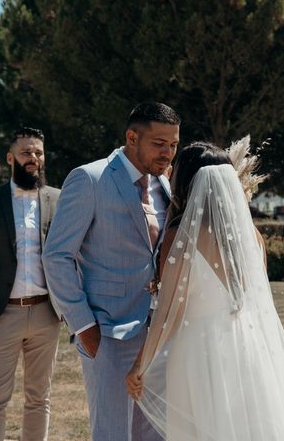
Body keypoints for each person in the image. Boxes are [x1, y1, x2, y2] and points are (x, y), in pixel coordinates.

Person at [126, 142, 284, 440]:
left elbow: (169, 314)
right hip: (247, 347)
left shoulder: (181, 236)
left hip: (196, 354)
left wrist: (140, 364)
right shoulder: (254, 237)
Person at [42, 102, 181, 441]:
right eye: (159, 143)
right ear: (132, 137)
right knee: (113, 433)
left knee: (157, 432)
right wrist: (85, 326)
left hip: (157, 333)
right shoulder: (89, 178)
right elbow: (56, 255)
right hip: (108, 332)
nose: (168, 153)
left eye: (174, 144)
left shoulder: (164, 184)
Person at [0, 127, 62, 441]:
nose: (33, 159)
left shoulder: (57, 199)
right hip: (1, 316)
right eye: (25, 153)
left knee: (39, 398)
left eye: (38, 153)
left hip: (47, 314)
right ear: (10, 158)